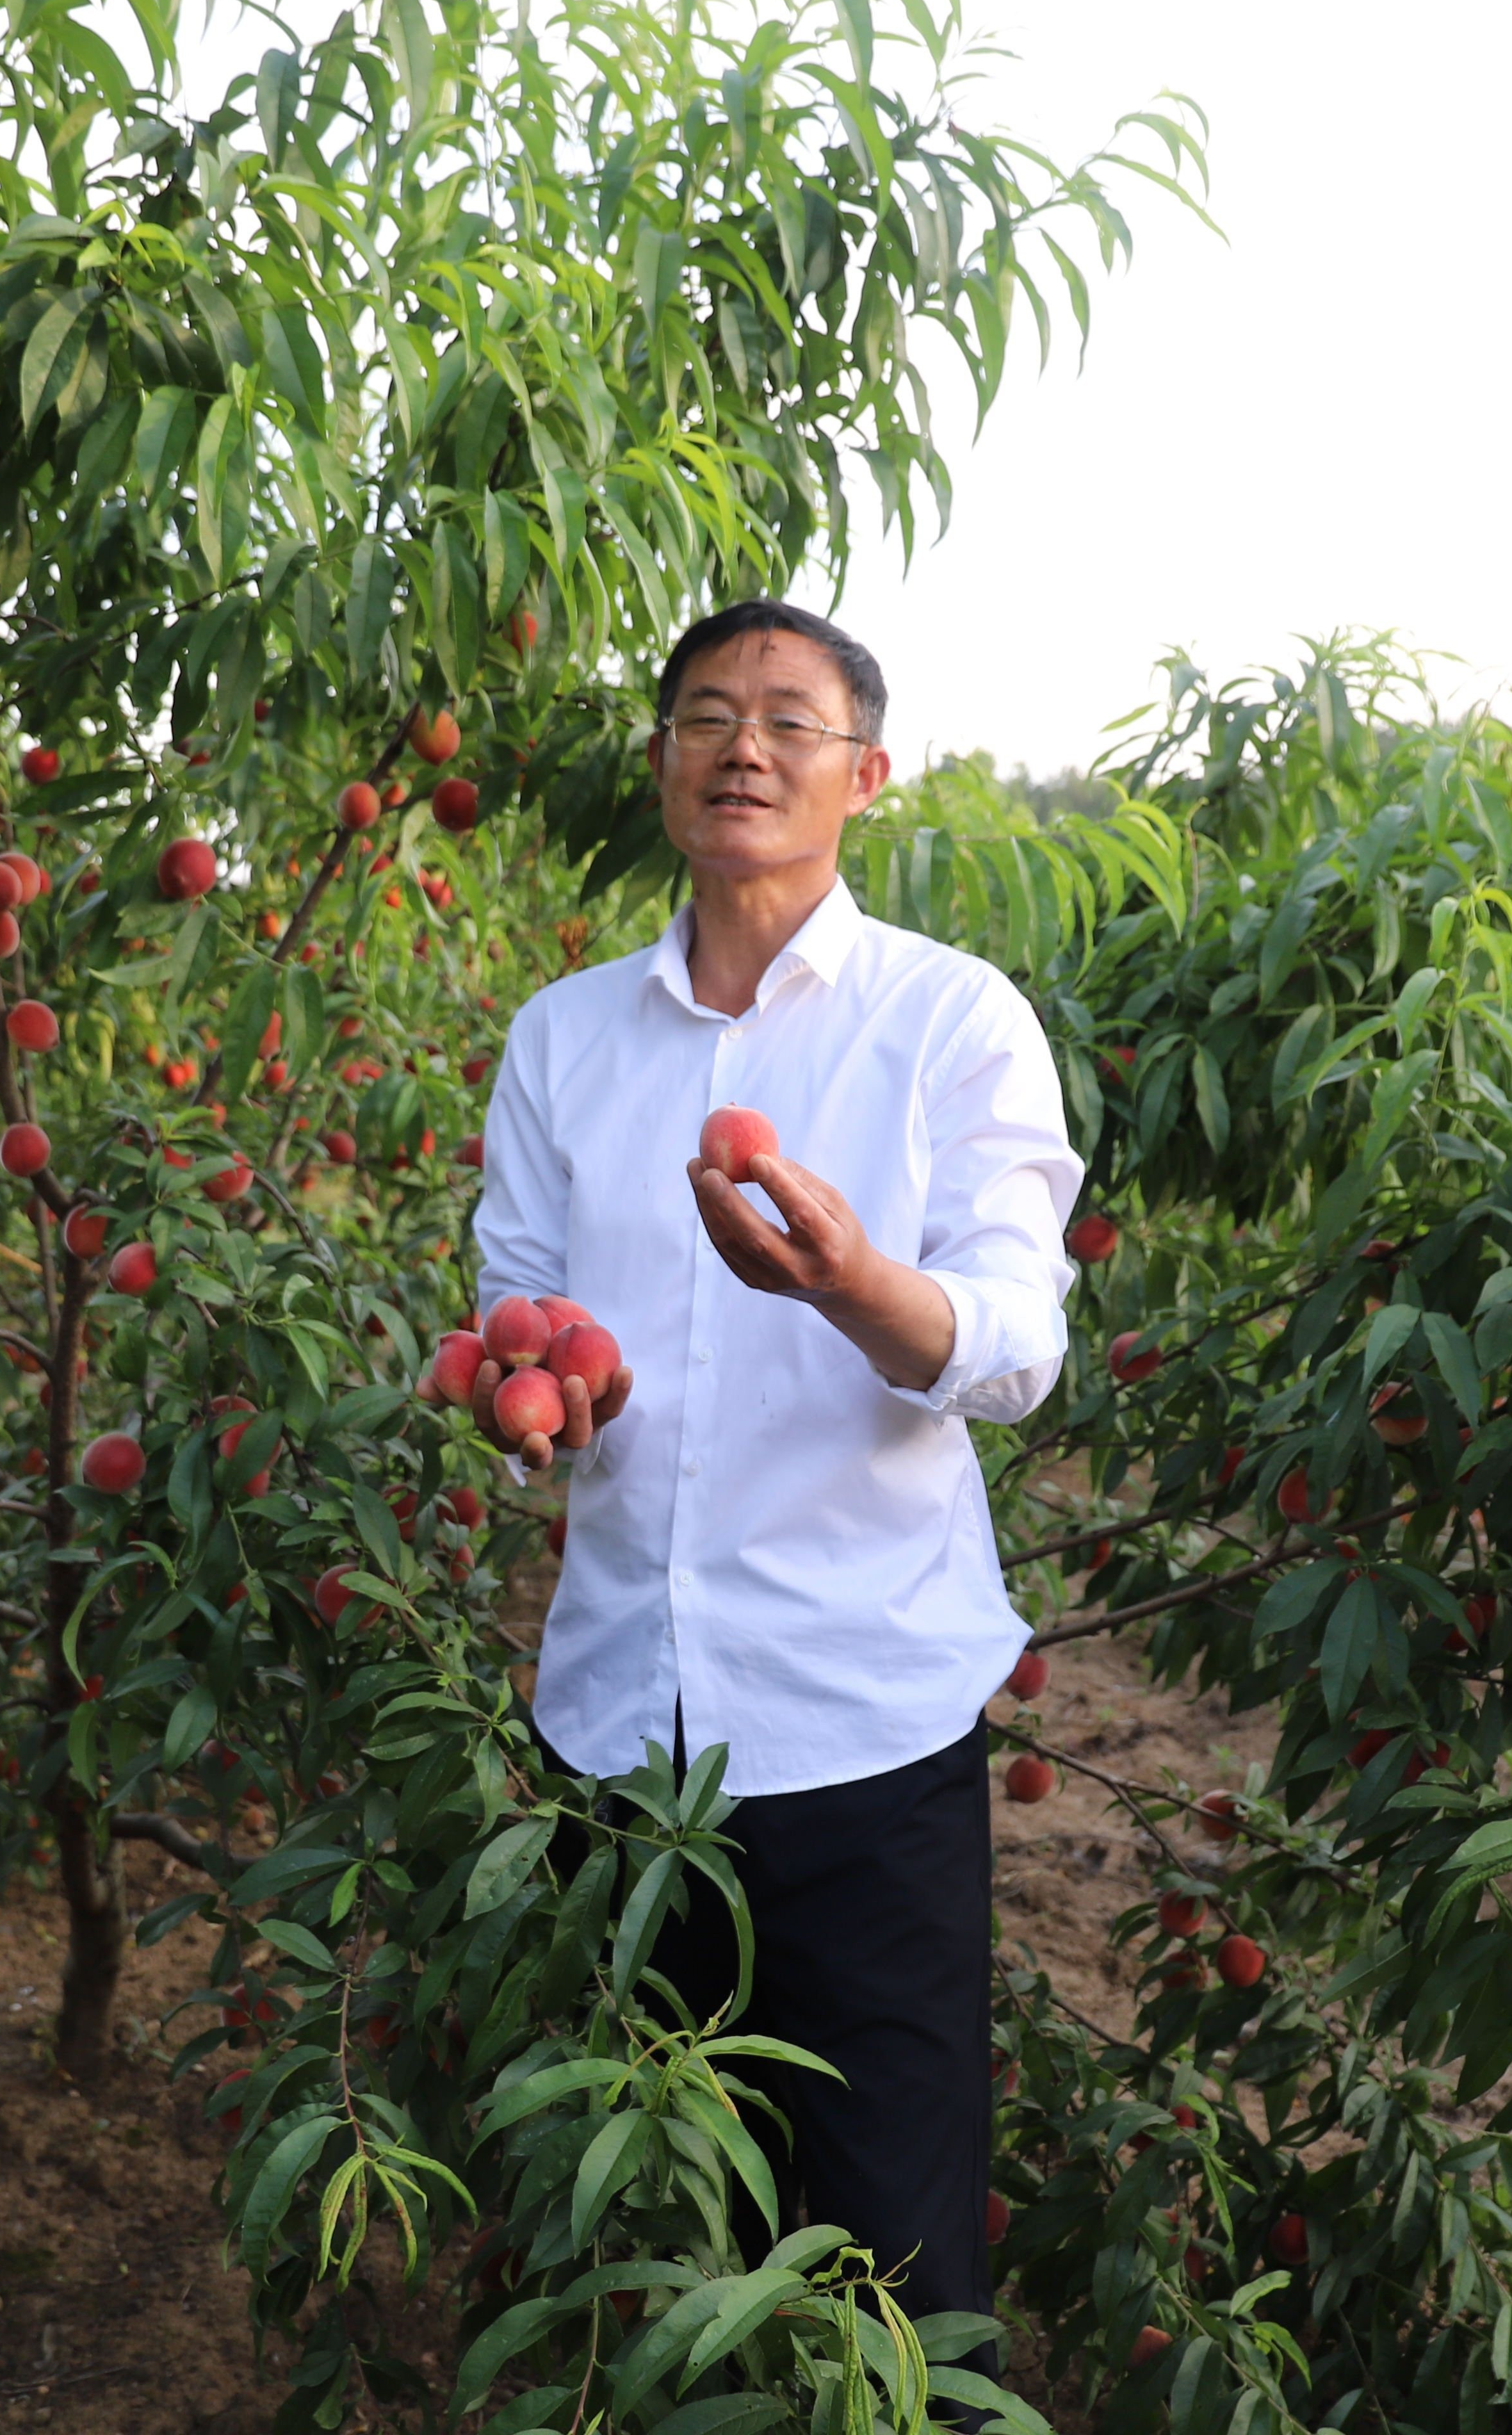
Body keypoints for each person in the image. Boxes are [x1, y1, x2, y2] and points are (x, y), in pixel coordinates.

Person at [466, 597, 1082, 2324]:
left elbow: (1015, 1345)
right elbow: (521, 1311)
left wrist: (847, 1283)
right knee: (663, 2239)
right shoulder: (565, 1041)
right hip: (620, 1736)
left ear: (864, 775)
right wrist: (539, 1400)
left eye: (791, 721)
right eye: (707, 715)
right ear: (663, 763)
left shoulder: (951, 1022)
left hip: (858, 1731)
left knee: (892, 2258)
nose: (745, 745)